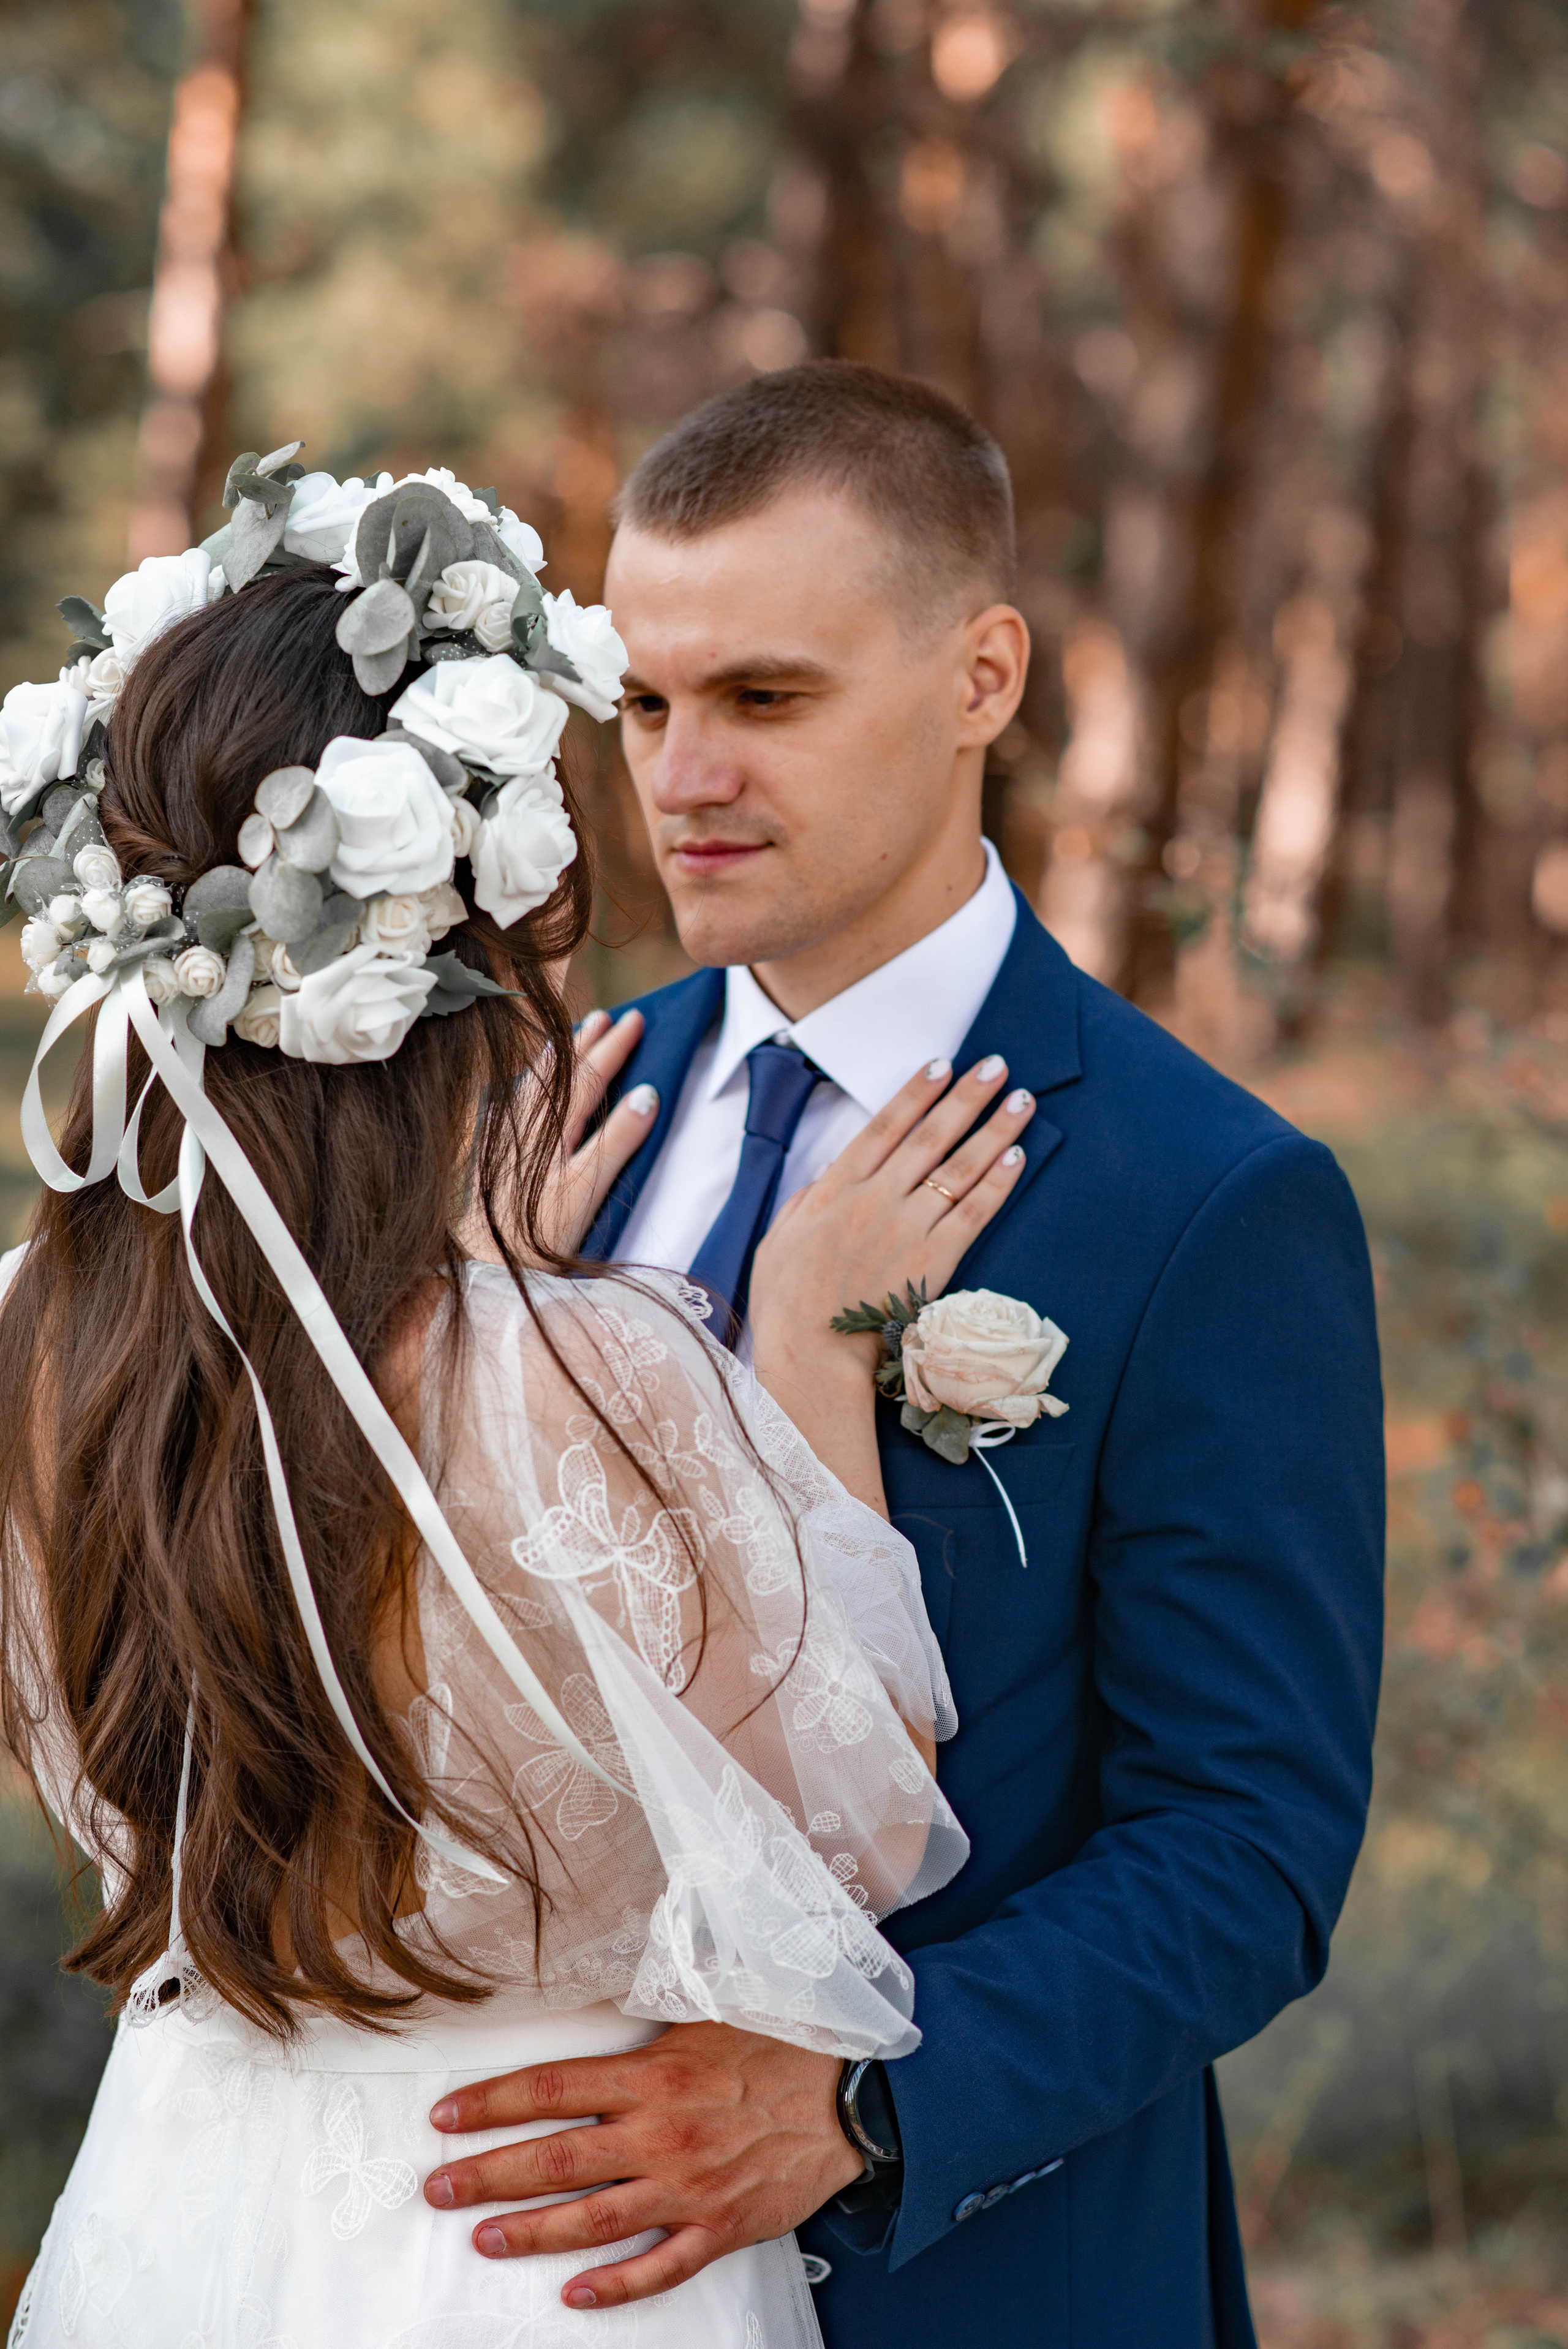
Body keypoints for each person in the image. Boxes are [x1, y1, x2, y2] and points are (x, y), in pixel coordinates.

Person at [0, 451, 1031, 2348]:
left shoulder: (38, 1337)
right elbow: (851, 1843)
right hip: (546, 2242)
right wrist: (800, 1348)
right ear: (511, 939)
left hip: (183, 2198)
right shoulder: (596, 1364)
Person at [426, 363, 1387, 2347]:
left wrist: (865, 2100)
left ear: (982, 678)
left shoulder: (1205, 1193)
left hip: (971, 2279)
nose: (679, 776)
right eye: (647, 703)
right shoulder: (545, 1127)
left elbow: (1247, 1843)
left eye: (766, 700)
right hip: (516, 2271)